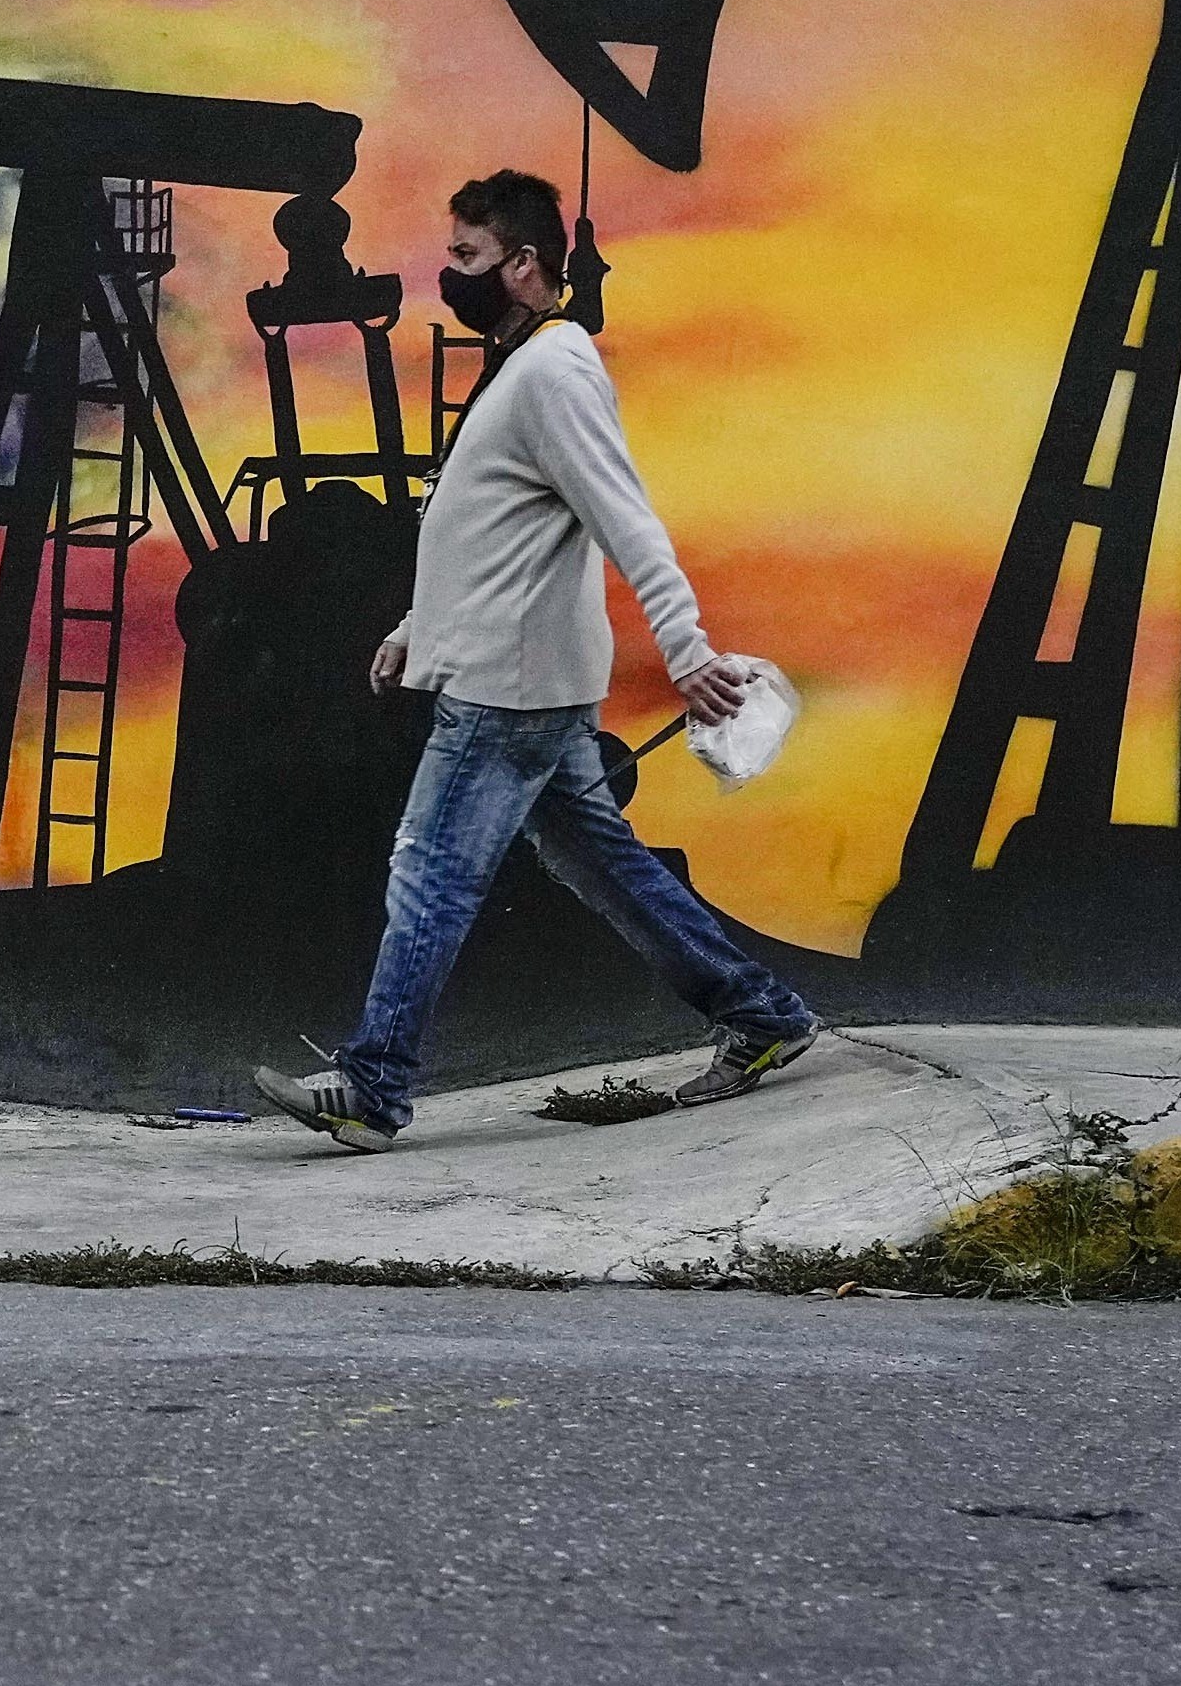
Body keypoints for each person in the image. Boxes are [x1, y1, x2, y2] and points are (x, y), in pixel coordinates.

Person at [252, 169, 816, 1151]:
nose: (448, 273)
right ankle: (763, 1015)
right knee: (601, 860)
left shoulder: (554, 373)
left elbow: (624, 517)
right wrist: (416, 630)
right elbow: (488, 529)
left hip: (505, 693)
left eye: (466, 257)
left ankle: (374, 1085)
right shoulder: (521, 367)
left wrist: (684, 648)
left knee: (429, 871)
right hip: (523, 682)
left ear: (522, 266)